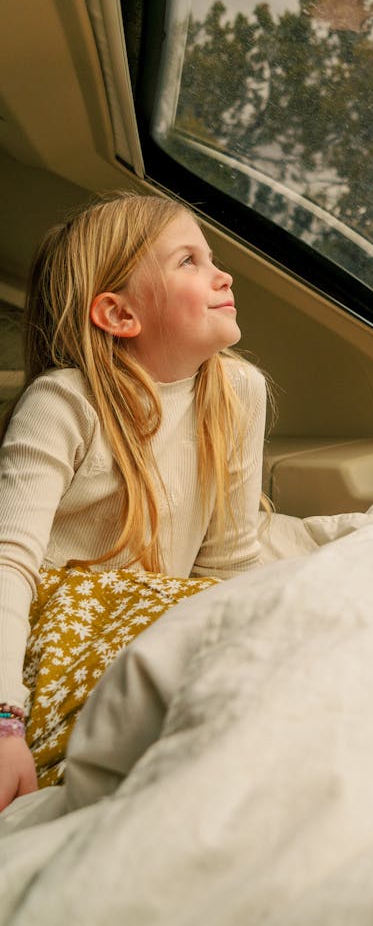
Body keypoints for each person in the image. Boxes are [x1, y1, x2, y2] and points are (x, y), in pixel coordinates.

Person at [0, 192, 270, 811]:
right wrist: (4, 719)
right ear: (119, 314)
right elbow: (8, 563)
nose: (222, 273)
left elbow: (228, 565)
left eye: (212, 256)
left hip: (150, 632)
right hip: (50, 646)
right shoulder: (64, 404)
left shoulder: (237, 391)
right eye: (189, 261)